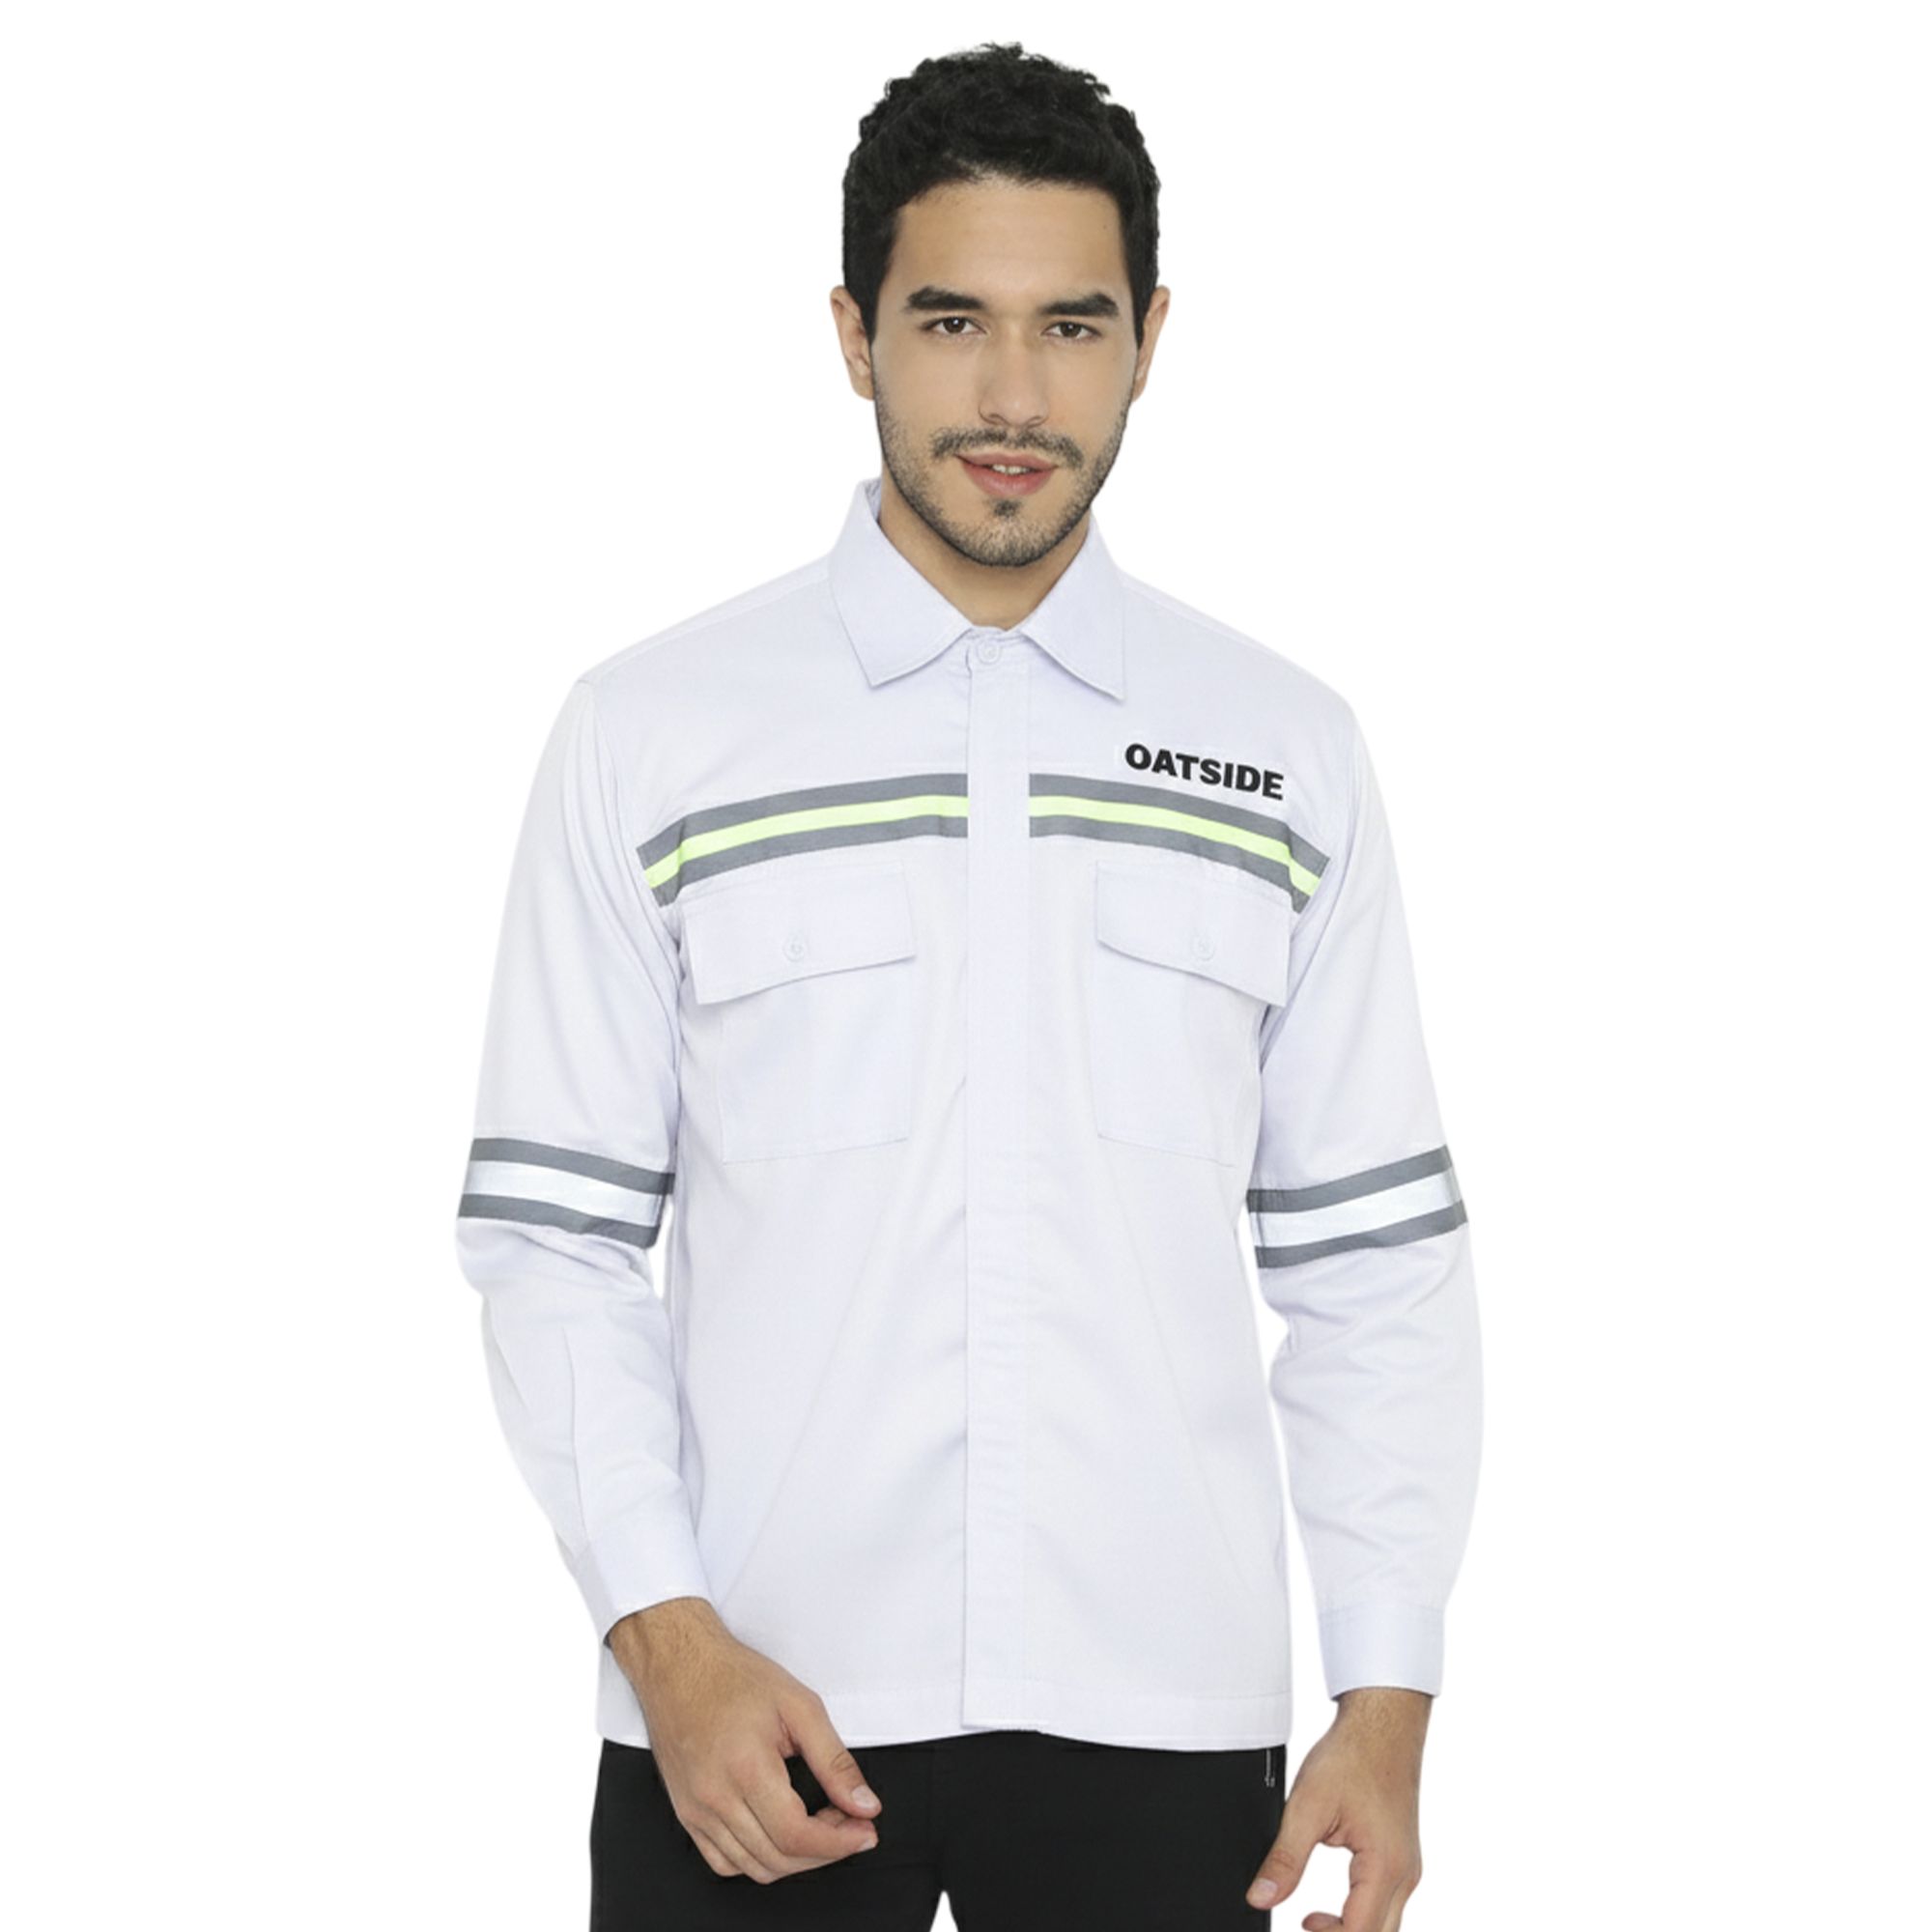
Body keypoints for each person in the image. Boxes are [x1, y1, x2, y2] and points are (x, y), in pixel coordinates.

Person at [454, 39, 1483, 1931]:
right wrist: (667, 1639)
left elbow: (1371, 1263)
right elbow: (555, 1239)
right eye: (950, 322)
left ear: (1149, 337)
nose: (1013, 397)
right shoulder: (653, 734)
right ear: (854, 336)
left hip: (1163, 1718)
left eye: (1071, 326)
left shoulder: (1284, 749)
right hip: (742, 1713)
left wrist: (1387, 1683)